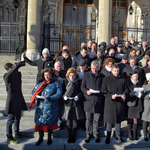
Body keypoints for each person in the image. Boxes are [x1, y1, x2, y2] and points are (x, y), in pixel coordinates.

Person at [29, 67, 62, 146]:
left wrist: (50, 98)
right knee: (40, 123)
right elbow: (34, 91)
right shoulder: (41, 83)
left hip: (51, 107)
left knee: (50, 123)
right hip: (40, 106)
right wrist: (36, 96)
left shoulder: (56, 83)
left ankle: (49, 137)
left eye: (48, 75)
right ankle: (40, 138)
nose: (46, 77)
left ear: (51, 75)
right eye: (45, 75)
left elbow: (59, 94)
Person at [101, 64, 127, 144]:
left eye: (118, 71)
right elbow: (103, 91)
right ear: (111, 71)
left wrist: (124, 94)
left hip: (119, 103)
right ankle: (108, 136)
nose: (116, 72)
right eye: (115, 71)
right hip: (110, 103)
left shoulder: (123, 79)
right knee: (109, 121)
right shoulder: (106, 79)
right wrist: (110, 96)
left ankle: (118, 135)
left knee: (118, 120)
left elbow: (126, 89)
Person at [3, 61, 27, 145]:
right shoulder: (6, 76)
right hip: (11, 100)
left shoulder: (17, 75)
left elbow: (16, 72)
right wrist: (16, 67)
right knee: (11, 119)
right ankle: (9, 136)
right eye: (12, 68)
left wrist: (20, 64)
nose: (14, 69)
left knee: (18, 117)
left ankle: (16, 133)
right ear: (8, 70)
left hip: (18, 99)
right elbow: (10, 74)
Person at [81, 60, 104, 143]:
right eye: (93, 68)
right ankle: (88, 134)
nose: (95, 70)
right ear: (90, 68)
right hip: (88, 101)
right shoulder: (86, 75)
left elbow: (104, 88)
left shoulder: (102, 76)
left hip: (98, 100)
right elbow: (82, 87)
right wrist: (86, 91)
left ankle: (96, 134)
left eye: (96, 69)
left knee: (96, 120)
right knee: (88, 120)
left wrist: (100, 91)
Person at [62, 68, 85, 143]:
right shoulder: (65, 82)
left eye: (73, 75)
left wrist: (78, 96)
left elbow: (81, 92)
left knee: (75, 121)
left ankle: (74, 135)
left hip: (75, 104)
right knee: (68, 121)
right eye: (71, 75)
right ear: (68, 75)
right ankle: (70, 136)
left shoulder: (78, 82)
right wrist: (64, 97)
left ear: (76, 75)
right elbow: (62, 92)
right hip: (68, 104)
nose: (72, 77)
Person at [126, 71, 143, 140]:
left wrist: (141, 94)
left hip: (137, 102)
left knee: (135, 119)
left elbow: (142, 91)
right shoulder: (128, 83)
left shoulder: (140, 82)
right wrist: (134, 92)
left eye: (136, 76)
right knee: (129, 119)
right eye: (134, 76)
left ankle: (135, 134)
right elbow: (127, 93)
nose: (136, 78)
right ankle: (130, 134)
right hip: (130, 102)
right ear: (131, 76)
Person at [142, 74, 150, 141]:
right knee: (145, 120)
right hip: (147, 104)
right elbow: (143, 96)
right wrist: (148, 96)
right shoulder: (144, 86)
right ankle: (145, 135)